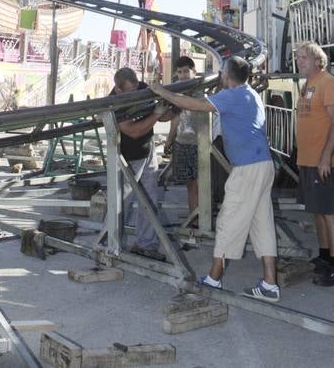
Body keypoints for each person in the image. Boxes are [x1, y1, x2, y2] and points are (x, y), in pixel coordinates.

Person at [151, 56, 279, 301]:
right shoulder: (249, 93)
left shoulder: (232, 96)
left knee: (226, 222)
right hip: (263, 165)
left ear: (227, 76)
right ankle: (269, 285)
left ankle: (213, 279)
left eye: (222, 73)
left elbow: (193, 104)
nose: (220, 76)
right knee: (262, 225)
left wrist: (160, 90)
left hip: (247, 169)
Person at [295, 41, 334, 286]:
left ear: (318, 60)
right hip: (307, 160)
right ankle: (324, 256)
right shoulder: (307, 85)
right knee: (317, 212)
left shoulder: (329, 84)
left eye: (304, 57)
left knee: (330, 212)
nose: (299, 61)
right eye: (298, 57)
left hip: (323, 162)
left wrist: (326, 157)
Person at [111, 66, 172, 261]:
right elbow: (134, 131)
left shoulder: (142, 89)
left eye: (136, 88)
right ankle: (111, 245)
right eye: (131, 91)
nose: (135, 93)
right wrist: (156, 114)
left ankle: (146, 244)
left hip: (148, 151)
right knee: (122, 203)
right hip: (126, 158)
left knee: (150, 201)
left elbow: (162, 115)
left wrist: (174, 104)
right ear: (119, 89)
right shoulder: (114, 102)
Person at [164, 57, 200, 221]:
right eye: (179, 72)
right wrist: (169, 140)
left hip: (200, 145)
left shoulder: (200, 92)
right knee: (190, 184)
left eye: (186, 71)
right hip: (183, 143)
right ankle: (194, 215)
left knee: (200, 184)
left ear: (194, 72)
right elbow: (175, 119)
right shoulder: (177, 94)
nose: (183, 75)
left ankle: (199, 216)